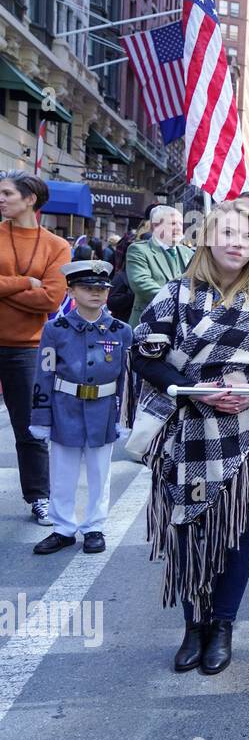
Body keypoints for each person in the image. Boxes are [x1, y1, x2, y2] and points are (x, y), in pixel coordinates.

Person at [131, 202, 249, 675]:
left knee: (238, 531)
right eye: (228, 233)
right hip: (187, 431)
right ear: (209, 237)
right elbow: (144, 357)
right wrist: (198, 389)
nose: (236, 243)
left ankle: (224, 626)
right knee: (189, 529)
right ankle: (194, 627)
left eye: (246, 236)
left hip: (247, 436)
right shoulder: (177, 295)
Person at [28, 259, 132, 555]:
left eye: (102, 288)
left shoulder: (121, 331)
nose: (96, 293)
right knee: (63, 472)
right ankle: (62, 528)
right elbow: (44, 373)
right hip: (65, 408)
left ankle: (94, 527)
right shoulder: (55, 329)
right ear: (71, 290)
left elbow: (127, 379)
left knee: (100, 472)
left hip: (103, 410)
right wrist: (41, 417)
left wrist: (124, 417)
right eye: (87, 287)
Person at [0, 170, 70, 526]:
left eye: (7, 193)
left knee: (29, 429)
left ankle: (39, 498)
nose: (1, 199)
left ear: (30, 200)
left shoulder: (57, 246)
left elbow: (51, 298)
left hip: (26, 349)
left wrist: (6, 289)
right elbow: (38, 292)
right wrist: (24, 282)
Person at [126, 205, 193, 327]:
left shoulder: (188, 252)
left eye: (180, 224)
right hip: (148, 322)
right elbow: (141, 283)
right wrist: (179, 302)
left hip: (181, 325)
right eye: (172, 224)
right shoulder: (138, 250)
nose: (178, 228)